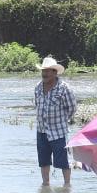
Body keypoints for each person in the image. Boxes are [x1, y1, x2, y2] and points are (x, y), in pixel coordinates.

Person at [33, 56, 77, 186]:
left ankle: (67, 185)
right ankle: (45, 184)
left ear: (54, 72)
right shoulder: (38, 87)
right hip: (41, 131)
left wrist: (62, 121)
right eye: (43, 71)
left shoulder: (64, 88)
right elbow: (37, 105)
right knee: (43, 161)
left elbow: (72, 108)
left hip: (58, 132)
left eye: (47, 71)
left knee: (63, 161)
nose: (44, 74)